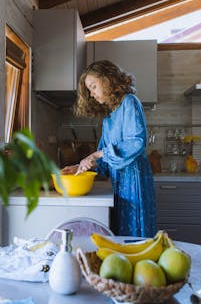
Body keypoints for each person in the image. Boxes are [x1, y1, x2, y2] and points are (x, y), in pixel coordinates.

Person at [61, 60, 156, 237]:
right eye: (89, 90)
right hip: (118, 183)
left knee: (135, 234)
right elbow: (104, 160)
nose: (92, 94)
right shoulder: (109, 116)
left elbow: (137, 142)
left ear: (108, 79)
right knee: (120, 235)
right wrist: (82, 166)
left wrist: (96, 154)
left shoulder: (130, 102)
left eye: (93, 86)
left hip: (134, 181)